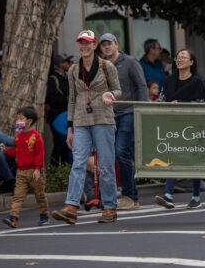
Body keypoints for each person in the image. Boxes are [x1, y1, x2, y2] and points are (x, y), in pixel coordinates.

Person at [51, 29, 122, 225]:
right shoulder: (73, 70)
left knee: (105, 166)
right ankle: (71, 206)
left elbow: (118, 89)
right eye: (81, 42)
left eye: (87, 42)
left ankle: (109, 207)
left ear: (94, 45)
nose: (84, 46)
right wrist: (70, 128)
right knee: (78, 163)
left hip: (103, 119)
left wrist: (112, 95)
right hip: (81, 121)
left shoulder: (107, 67)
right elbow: (72, 100)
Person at [99, 32, 148, 211]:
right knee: (114, 154)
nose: (106, 47)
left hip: (128, 111)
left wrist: (144, 111)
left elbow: (142, 86)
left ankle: (129, 195)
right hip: (108, 115)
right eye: (103, 45)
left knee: (121, 151)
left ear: (116, 44)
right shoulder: (101, 65)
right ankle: (129, 196)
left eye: (109, 44)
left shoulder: (130, 62)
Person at [154, 49, 205, 209]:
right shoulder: (169, 80)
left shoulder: (197, 82)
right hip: (172, 124)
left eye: (184, 57)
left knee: (192, 160)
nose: (179, 60)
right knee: (172, 156)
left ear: (192, 62)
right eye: (178, 57)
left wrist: (183, 103)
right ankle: (168, 195)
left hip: (193, 125)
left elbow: (204, 104)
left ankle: (196, 196)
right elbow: (161, 100)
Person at [1, 106, 49, 227]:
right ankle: (13, 217)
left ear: (29, 121)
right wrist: (6, 150)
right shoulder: (18, 137)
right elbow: (16, 152)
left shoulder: (35, 137)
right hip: (21, 171)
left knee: (40, 195)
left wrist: (38, 169)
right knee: (18, 196)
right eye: (18, 119)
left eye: (21, 119)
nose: (18, 121)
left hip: (34, 171)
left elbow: (39, 154)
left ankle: (44, 216)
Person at [45, 53, 72, 165]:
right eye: (67, 61)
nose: (69, 64)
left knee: (67, 145)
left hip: (67, 116)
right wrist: (65, 99)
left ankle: (64, 172)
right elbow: (48, 98)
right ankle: (53, 171)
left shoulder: (67, 77)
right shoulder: (52, 80)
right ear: (60, 64)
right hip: (56, 117)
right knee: (59, 144)